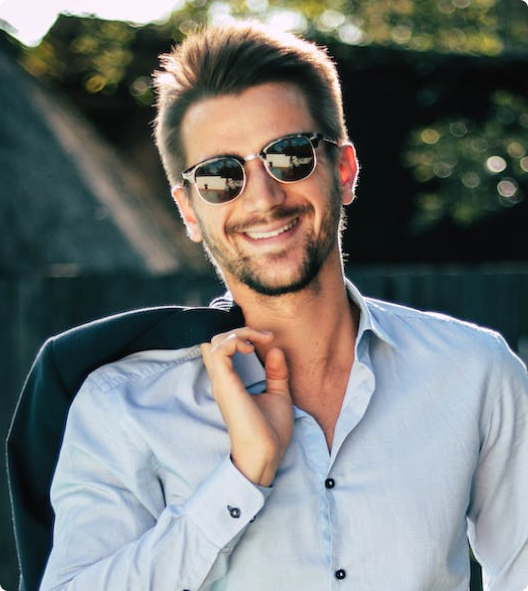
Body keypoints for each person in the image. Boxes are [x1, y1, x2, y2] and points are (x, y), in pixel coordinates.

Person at [38, 20, 528, 591]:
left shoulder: (475, 371)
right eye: (220, 175)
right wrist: (241, 478)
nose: (264, 199)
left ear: (343, 170)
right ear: (190, 210)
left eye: (289, 155)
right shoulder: (121, 406)